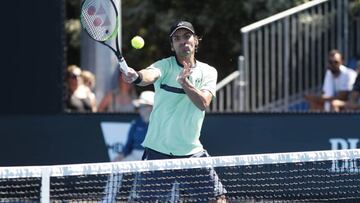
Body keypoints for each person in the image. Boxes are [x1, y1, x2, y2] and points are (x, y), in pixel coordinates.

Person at [121, 20, 226, 202]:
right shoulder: (164, 66)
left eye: (187, 36)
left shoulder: (208, 72)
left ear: (196, 41)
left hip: (191, 152)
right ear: (172, 45)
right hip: (157, 152)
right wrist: (136, 76)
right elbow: (148, 75)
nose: (182, 41)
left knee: (218, 199)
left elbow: (203, 103)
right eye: (177, 38)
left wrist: (185, 83)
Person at [112, 91, 154, 162]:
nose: (140, 109)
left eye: (143, 106)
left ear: (152, 107)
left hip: (151, 157)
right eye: (140, 106)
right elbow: (129, 144)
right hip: (134, 156)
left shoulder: (159, 124)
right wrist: (121, 156)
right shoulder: (136, 123)